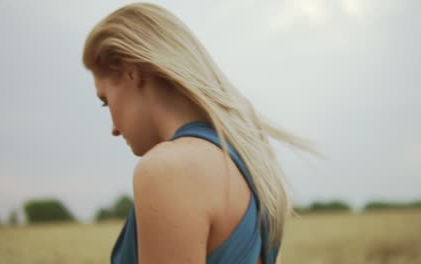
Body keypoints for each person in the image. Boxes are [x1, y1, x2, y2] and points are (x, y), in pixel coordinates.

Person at [82, 3, 312, 264]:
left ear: (131, 71)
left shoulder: (169, 169)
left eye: (105, 101)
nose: (113, 128)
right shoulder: (243, 160)